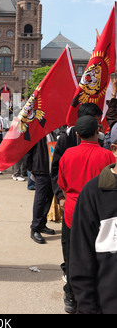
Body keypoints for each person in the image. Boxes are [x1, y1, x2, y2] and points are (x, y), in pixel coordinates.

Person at [58, 115, 115, 314]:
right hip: (100, 214)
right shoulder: (107, 156)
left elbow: (62, 184)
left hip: (72, 211)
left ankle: (71, 297)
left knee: (74, 256)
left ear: (77, 134)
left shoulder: (67, 154)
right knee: (96, 258)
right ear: (97, 132)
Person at [25, 133, 57, 245]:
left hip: (52, 171)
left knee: (49, 198)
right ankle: (35, 228)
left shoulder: (54, 133)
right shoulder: (37, 133)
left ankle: (42, 224)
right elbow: (28, 151)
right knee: (40, 199)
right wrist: (30, 168)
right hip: (41, 170)